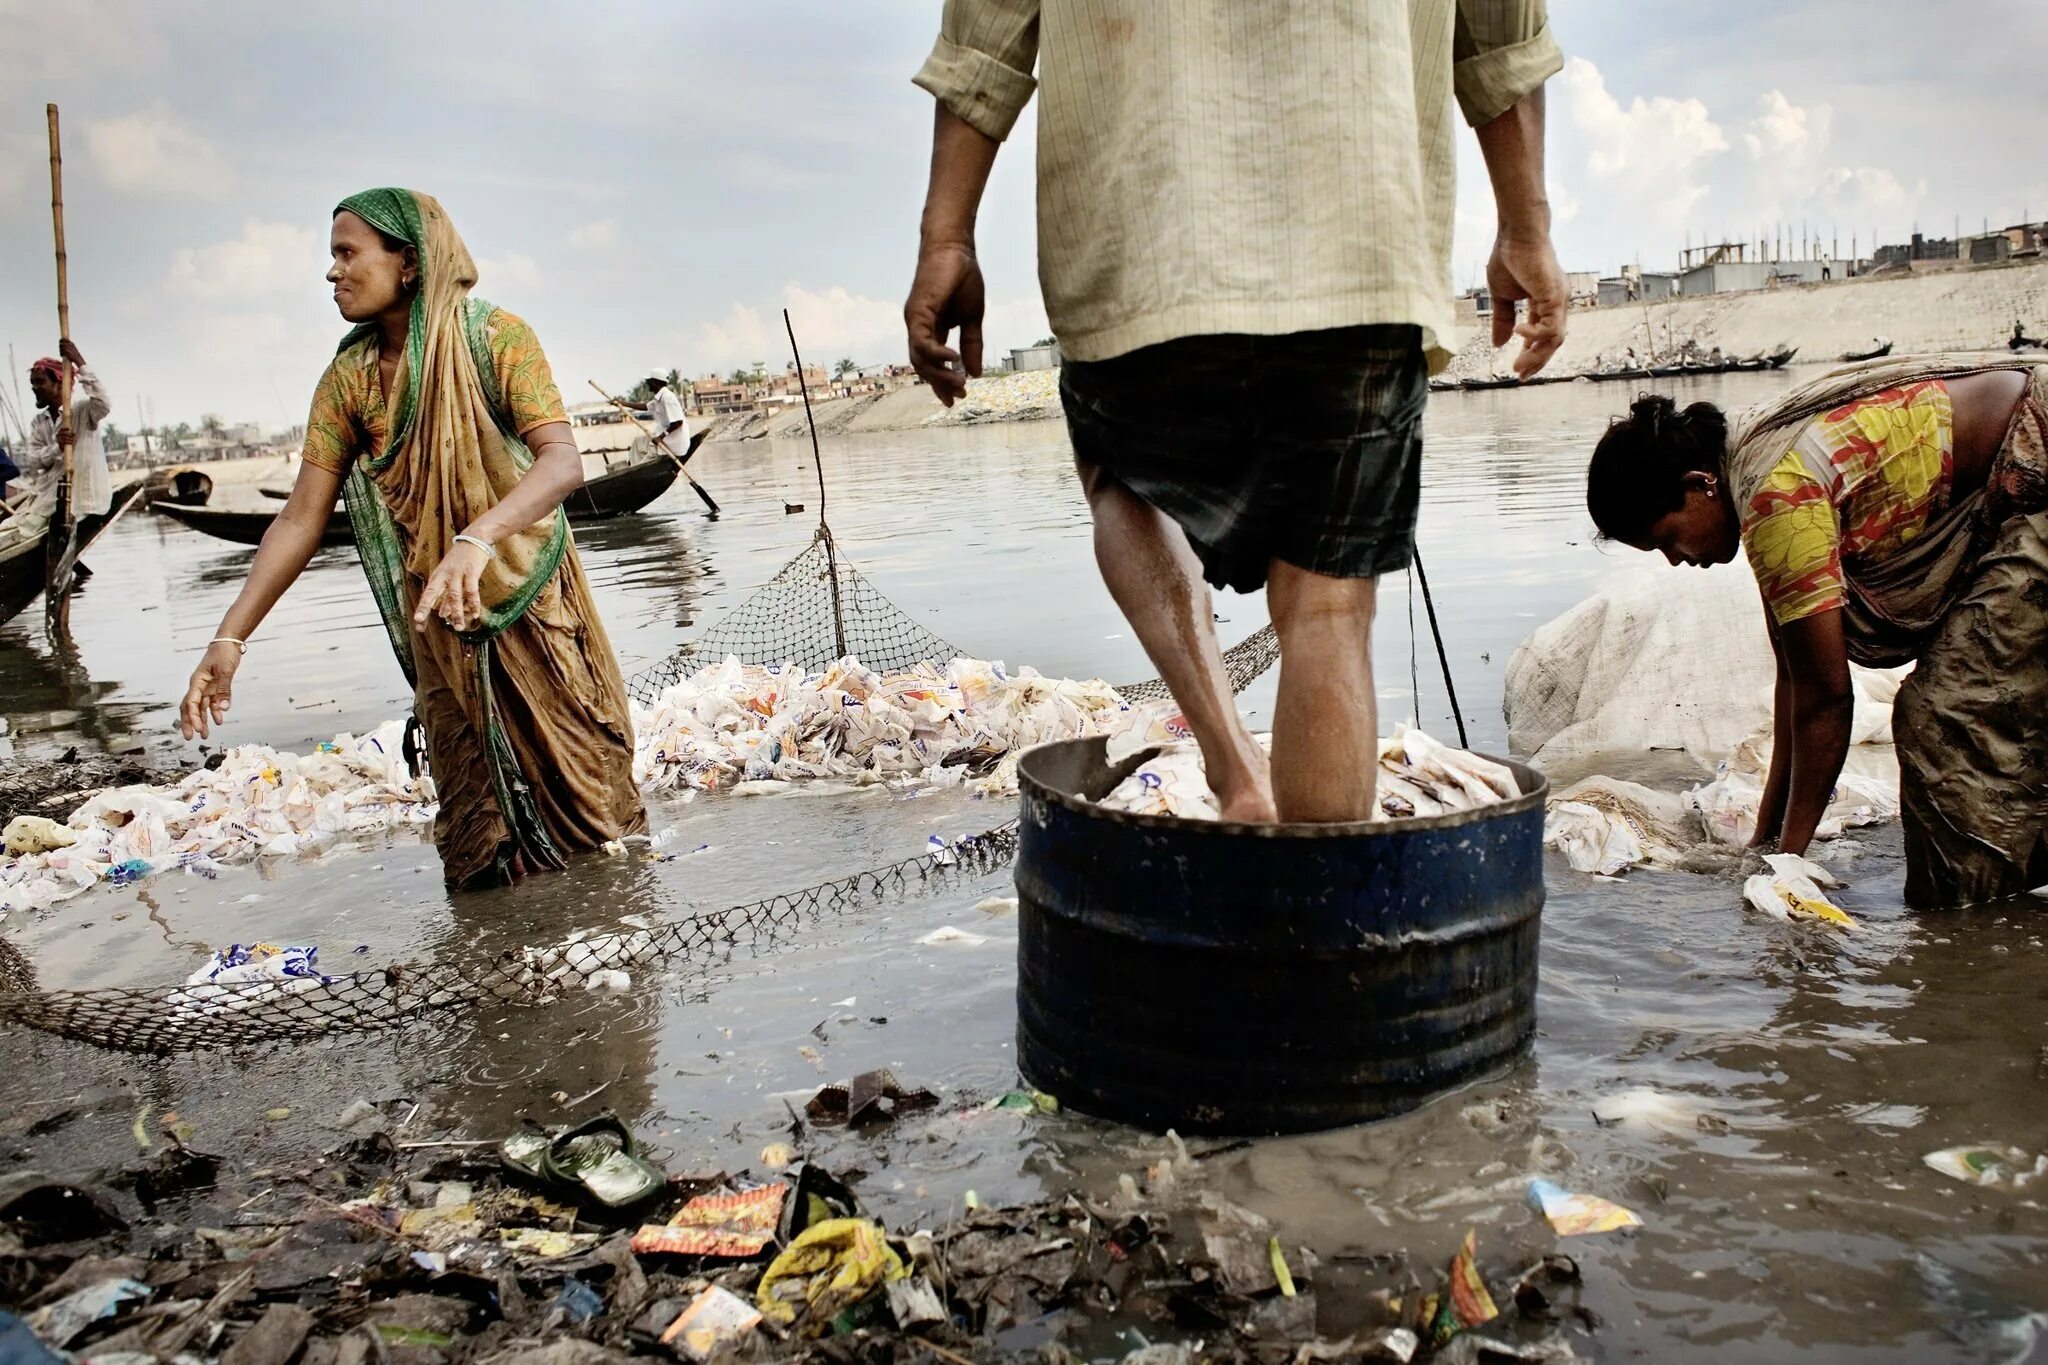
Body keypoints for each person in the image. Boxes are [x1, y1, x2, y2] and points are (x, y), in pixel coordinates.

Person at [903, 1, 1567, 823]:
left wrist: (946, 239)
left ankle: (1234, 765)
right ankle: (1318, 933)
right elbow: (1504, 33)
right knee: (1326, 605)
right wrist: (1525, 225)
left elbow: (983, 40)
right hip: (1359, 242)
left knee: (1121, 477)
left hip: (1142, 235)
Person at [179, 188, 644, 888]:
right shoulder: (349, 381)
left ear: (409, 261)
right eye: (330, 257)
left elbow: (563, 462)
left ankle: (612, 948)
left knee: (591, 802)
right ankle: (498, 976)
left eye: (346, 253)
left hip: (531, 600)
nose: (332, 273)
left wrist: (478, 538)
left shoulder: (495, 339)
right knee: (472, 830)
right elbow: (301, 518)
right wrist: (229, 638)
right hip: (441, 620)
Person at [1584, 356, 2048, 907]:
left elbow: (1828, 699)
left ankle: (1971, 923)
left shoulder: (1774, 495)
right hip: (2016, 464)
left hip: (2032, 458)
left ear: (1698, 485)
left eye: (1668, 538)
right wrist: (1765, 842)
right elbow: (1794, 685)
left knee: (1944, 716)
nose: (1676, 560)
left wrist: (1789, 859)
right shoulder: (1745, 466)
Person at [11, 340, 112, 522]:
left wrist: (79, 360)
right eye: (32, 383)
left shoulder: (82, 410)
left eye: (40, 382)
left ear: (59, 383)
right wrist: (57, 447)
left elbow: (104, 404)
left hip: (83, 502)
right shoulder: (39, 422)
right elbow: (33, 461)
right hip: (51, 498)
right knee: (11, 526)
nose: (34, 388)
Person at [645, 374, 692, 465]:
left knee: (649, 448)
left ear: (656, 382)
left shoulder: (667, 397)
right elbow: (645, 406)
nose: (648, 384)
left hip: (675, 444)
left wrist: (660, 437)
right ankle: (632, 464)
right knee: (639, 441)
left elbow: (678, 422)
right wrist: (621, 403)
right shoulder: (659, 397)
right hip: (668, 439)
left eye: (650, 381)